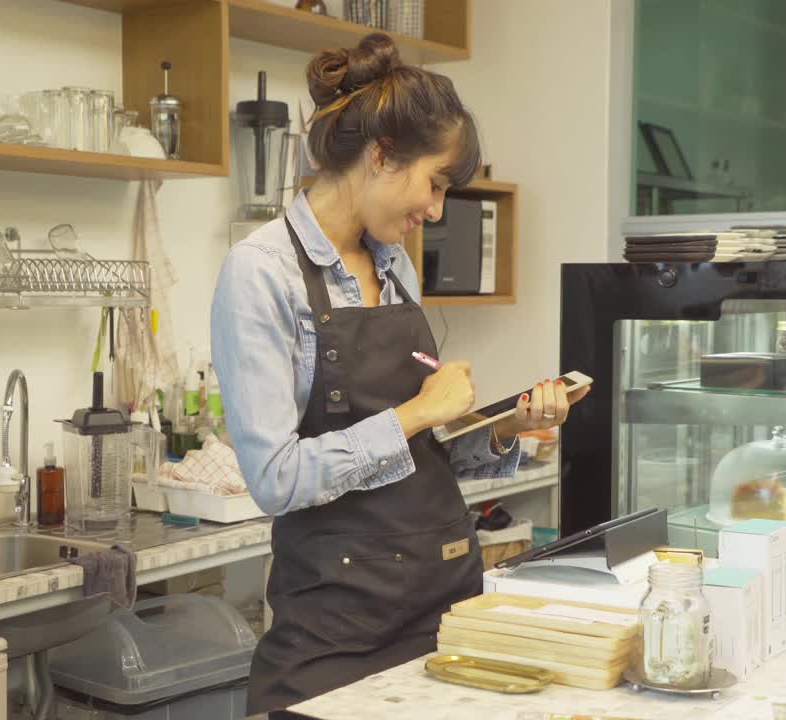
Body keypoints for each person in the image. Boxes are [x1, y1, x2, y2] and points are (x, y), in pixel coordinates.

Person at [211, 33, 589, 714]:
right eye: (435, 183)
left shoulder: (395, 264)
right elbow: (275, 480)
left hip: (443, 613)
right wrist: (418, 412)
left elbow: (417, 456)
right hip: (334, 640)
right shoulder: (261, 273)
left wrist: (504, 430)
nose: (437, 210)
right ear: (381, 156)